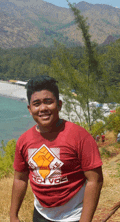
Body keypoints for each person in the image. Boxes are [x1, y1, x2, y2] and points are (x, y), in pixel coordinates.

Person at [10, 76, 103, 222]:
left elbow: (95, 180)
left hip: (73, 215)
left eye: (48, 102)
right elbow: (20, 179)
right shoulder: (24, 140)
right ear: (30, 109)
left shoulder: (79, 136)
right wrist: (13, 215)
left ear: (59, 105)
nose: (43, 108)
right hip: (40, 214)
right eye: (36, 103)